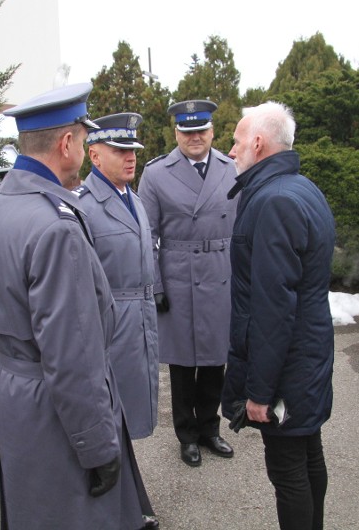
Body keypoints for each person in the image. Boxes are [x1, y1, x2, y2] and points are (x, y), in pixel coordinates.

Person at [0, 83, 155, 530]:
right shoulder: (56, 227)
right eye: (83, 137)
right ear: (68, 143)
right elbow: (73, 358)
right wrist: (98, 448)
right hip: (57, 414)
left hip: (12, 395)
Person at [221, 101, 336, 530]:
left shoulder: (274, 201)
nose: (231, 151)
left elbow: (273, 308)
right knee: (307, 454)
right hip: (305, 356)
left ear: (257, 142)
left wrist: (260, 393)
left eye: (235, 141)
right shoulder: (301, 188)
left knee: (289, 468)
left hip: (289, 364)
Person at [137, 99, 238, 467]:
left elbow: (243, 230)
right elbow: (146, 235)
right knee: (182, 363)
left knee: (215, 357)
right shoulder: (157, 173)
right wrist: (156, 285)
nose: (194, 137)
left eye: (201, 130)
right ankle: (187, 434)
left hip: (221, 271)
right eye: (187, 131)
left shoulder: (231, 168)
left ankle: (210, 428)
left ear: (212, 132)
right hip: (178, 273)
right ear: (175, 133)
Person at [75, 112, 159, 441]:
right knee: (108, 415)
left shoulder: (134, 200)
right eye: (120, 151)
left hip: (140, 321)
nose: (131, 157)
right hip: (110, 326)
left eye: (133, 150)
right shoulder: (84, 207)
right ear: (94, 155)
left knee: (133, 414)